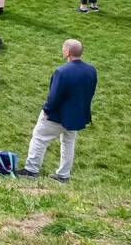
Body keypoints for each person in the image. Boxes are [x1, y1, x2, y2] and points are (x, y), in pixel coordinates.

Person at [19, 39, 97, 182]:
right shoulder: (91, 70)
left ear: (67, 52)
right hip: (77, 115)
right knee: (68, 142)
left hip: (58, 115)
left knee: (39, 138)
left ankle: (31, 170)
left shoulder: (62, 71)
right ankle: (63, 175)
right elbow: (90, 92)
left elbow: (54, 96)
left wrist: (47, 110)